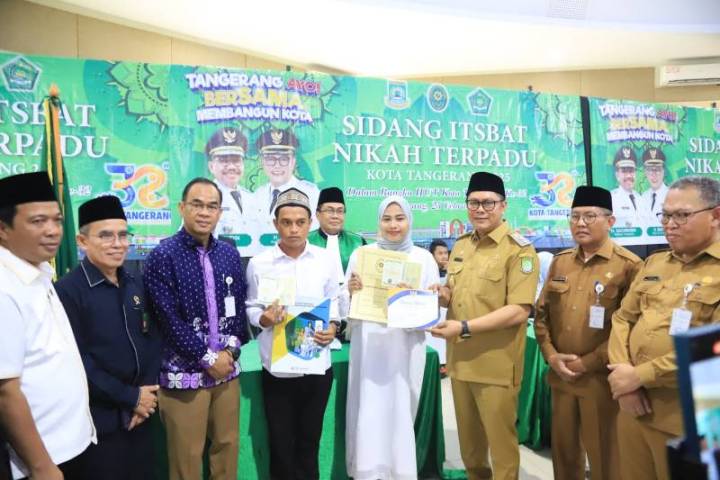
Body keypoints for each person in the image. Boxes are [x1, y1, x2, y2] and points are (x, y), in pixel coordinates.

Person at [608, 176, 720, 480]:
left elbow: (713, 351)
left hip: (686, 419)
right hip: (633, 409)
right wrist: (623, 376)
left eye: (682, 215)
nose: (670, 224)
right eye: (665, 215)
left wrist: (639, 376)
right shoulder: (655, 263)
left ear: (715, 215)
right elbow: (623, 318)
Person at [430, 171, 539, 480]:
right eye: (473, 202)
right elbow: (457, 296)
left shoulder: (520, 251)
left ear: (503, 205)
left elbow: (519, 310)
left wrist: (463, 327)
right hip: (460, 362)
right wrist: (441, 295)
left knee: (502, 448)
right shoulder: (462, 246)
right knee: (471, 450)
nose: (480, 209)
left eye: (488, 203)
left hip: (496, 366)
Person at [534, 186, 641, 480]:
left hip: (601, 382)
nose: (580, 223)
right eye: (575, 216)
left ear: (610, 221)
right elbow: (541, 315)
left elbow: (629, 329)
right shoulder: (561, 261)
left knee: (606, 458)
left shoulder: (629, 266)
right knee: (564, 456)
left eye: (590, 216)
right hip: (561, 377)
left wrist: (587, 363)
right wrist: (551, 356)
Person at [144, 177, 247, 480]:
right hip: (183, 376)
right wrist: (208, 358)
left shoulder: (228, 254)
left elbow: (238, 309)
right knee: (186, 459)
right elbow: (167, 319)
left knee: (227, 448)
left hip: (226, 373)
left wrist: (230, 352)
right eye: (197, 205)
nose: (204, 212)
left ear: (220, 212)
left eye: (212, 206)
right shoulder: (163, 255)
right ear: (182, 207)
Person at [55, 195, 162, 480]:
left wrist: (146, 395)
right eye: (105, 236)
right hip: (99, 423)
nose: (118, 244)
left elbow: (153, 337)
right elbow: (77, 361)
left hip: (143, 415)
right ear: (82, 241)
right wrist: (130, 397)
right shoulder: (67, 291)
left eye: (123, 235)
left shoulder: (135, 282)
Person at [0, 172, 95, 480]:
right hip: (41, 460)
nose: (53, 231)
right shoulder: (4, 287)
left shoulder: (38, 271)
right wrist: (41, 467)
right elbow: (5, 391)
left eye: (57, 220)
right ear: (3, 228)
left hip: (70, 444)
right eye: (38, 221)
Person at [245, 187, 340, 480]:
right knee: (281, 444)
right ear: (276, 224)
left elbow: (335, 302)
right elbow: (251, 307)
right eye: (286, 222)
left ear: (311, 222)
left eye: (300, 222)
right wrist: (263, 317)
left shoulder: (325, 260)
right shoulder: (260, 263)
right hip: (278, 370)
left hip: (316, 367)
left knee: (309, 442)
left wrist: (334, 326)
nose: (294, 229)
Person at [345, 195, 440, 480]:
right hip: (369, 344)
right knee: (368, 407)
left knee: (400, 408)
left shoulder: (423, 258)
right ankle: (366, 471)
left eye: (400, 218)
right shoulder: (362, 255)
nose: (393, 225)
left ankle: (400, 471)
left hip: (405, 346)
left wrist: (411, 298)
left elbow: (431, 309)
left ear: (410, 220)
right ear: (378, 222)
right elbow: (343, 302)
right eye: (386, 219)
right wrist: (350, 290)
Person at [308, 187, 367, 337]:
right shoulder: (306, 241)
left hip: (352, 312)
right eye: (330, 210)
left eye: (340, 211)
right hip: (317, 310)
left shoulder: (358, 242)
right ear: (317, 214)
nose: (335, 216)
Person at [252, 128, 320, 236]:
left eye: (284, 159)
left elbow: (314, 234)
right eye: (270, 159)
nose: (277, 165)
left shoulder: (311, 193)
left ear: (293, 161)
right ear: (262, 162)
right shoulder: (258, 194)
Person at [206, 126, 261, 256]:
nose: (231, 167)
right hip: (218, 262)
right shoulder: (203, 198)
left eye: (236, 160)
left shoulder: (252, 198)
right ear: (211, 166)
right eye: (224, 161)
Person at [610, 145, 647, 230]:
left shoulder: (640, 198)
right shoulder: (611, 199)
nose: (629, 176)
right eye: (624, 171)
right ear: (617, 175)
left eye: (631, 171)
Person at [641, 147, 669, 228]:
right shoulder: (643, 197)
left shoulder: (671, 196)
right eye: (650, 170)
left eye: (658, 169)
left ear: (664, 171)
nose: (654, 174)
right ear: (645, 172)